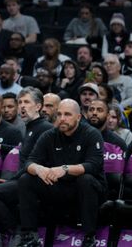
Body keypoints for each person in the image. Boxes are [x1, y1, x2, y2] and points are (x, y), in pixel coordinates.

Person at [0, 87, 52, 247]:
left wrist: (6, 182)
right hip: (20, 179)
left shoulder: (45, 129)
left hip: (33, 183)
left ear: (39, 106)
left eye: (26, 102)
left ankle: (17, 231)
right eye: (20, 102)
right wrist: (0, 146)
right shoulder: (30, 128)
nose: (22, 106)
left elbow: (35, 163)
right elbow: (22, 151)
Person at [16, 99, 105, 247]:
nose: (62, 118)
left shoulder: (92, 134)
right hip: (59, 188)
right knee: (26, 179)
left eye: (68, 114)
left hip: (88, 189)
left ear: (78, 117)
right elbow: (29, 162)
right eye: (59, 114)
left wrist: (65, 169)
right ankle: (29, 236)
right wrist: (39, 169)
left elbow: (94, 165)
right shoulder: (49, 135)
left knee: (86, 179)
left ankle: (89, 238)